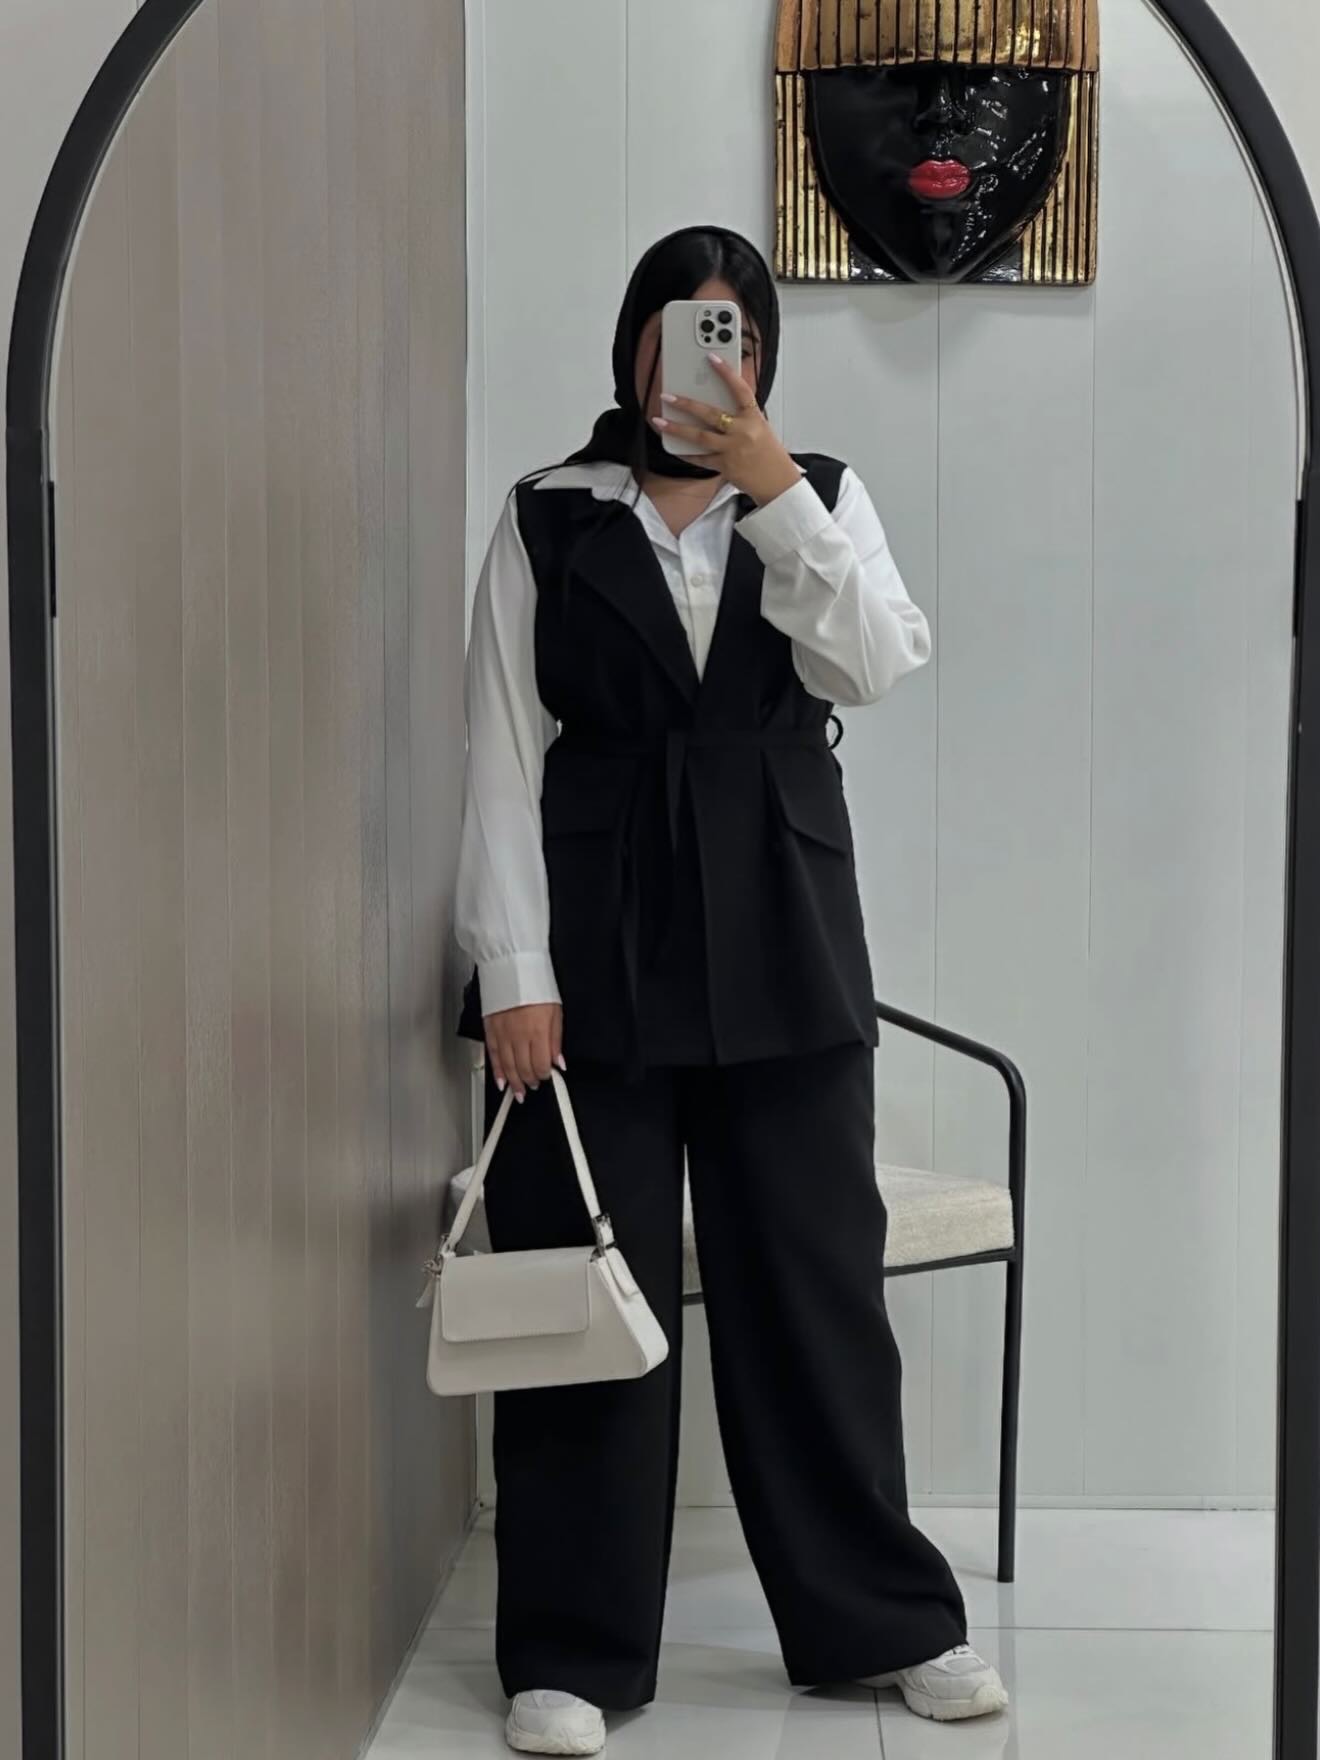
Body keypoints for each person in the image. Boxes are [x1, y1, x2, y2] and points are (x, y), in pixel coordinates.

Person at [453, 223, 1009, 1755]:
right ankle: (570, 1652)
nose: (703, 359)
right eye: (677, 330)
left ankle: (887, 1624)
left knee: (816, 1294)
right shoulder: (549, 514)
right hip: (594, 948)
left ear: (761, 354)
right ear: (632, 343)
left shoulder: (818, 497)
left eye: (733, 334)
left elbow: (871, 665)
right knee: (588, 1297)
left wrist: (771, 489)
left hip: (784, 935)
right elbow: (496, 753)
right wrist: (512, 971)